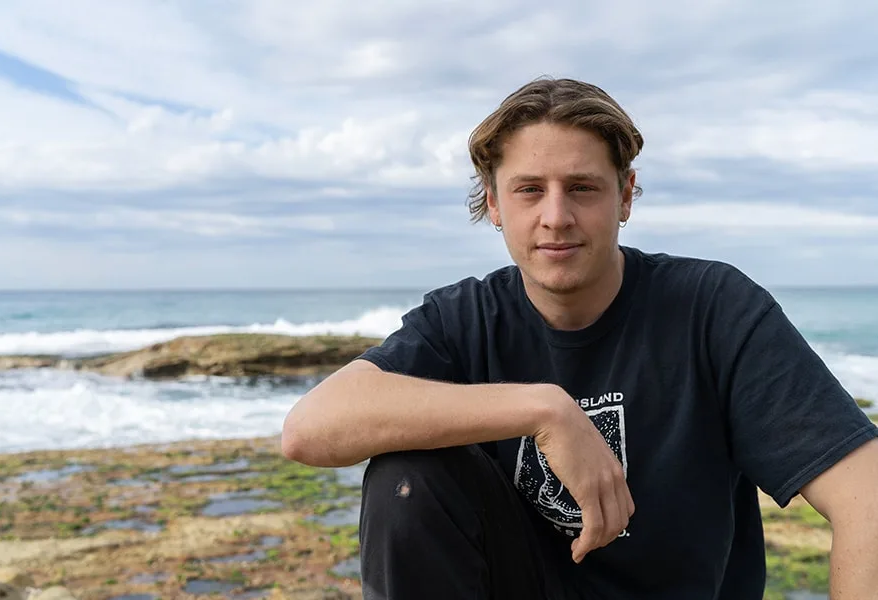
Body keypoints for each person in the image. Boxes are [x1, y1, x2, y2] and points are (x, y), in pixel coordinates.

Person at [281, 77, 878, 599]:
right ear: (493, 203)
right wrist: (545, 411)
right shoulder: (463, 319)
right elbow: (309, 429)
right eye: (529, 189)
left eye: (583, 188)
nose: (556, 216)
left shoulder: (711, 308)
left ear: (625, 195)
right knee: (407, 474)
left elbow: (867, 494)